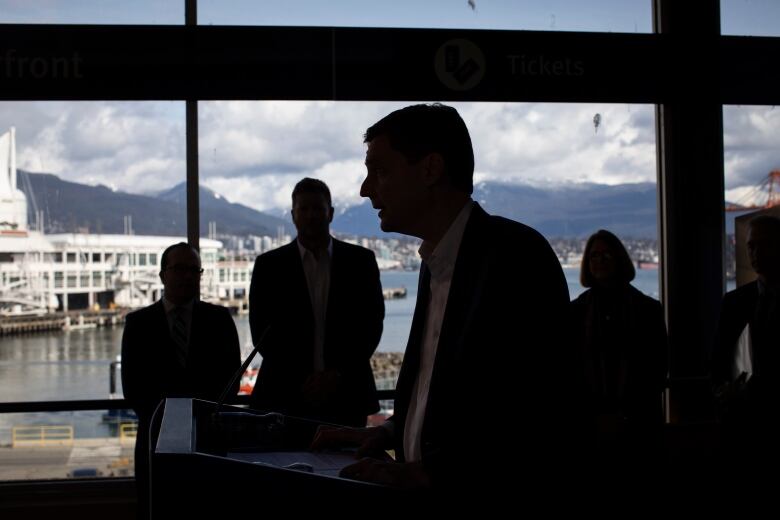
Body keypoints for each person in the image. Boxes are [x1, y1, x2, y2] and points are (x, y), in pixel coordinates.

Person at [311, 103, 577, 497]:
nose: (366, 189)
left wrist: (431, 474)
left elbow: (539, 411)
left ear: (431, 169)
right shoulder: (434, 261)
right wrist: (388, 431)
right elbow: (456, 398)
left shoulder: (517, 257)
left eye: (380, 171)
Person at [249, 178, 384, 427]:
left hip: (347, 394)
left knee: (346, 465)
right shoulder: (269, 266)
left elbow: (371, 325)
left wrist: (336, 375)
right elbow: (261, 332)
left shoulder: (361, 262)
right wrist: (304, 379)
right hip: (284, 395)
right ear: (293, 215)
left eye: (317, 209)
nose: (311, 215)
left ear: (330, 213)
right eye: (304, 209)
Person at [121, 242, 241, 518]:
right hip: (155, 442)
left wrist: (199, 418)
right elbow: (133, 388)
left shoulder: (220, 320)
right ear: (162, 275)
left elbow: (231, 381)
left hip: (209, 442)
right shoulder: (137, 324)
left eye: (193, 270)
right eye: (179, 269)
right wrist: (172, 424)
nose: (187, 276)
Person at [569, 229, 668, 469]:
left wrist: (624, 417)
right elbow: (569, 371)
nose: (599, 260)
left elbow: (657, 369)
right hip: (588, 429)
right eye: (594, 256)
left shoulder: (649, 310)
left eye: (606, 255)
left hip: (639, 428)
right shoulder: (573, 313)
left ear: (619, 258)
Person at [712, 214, 780, 469]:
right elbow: (718, 361)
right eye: (751, 246)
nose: (756, 252)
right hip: (742, 427)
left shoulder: (736, 302)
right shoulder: (734, 303)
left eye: (764, 244)